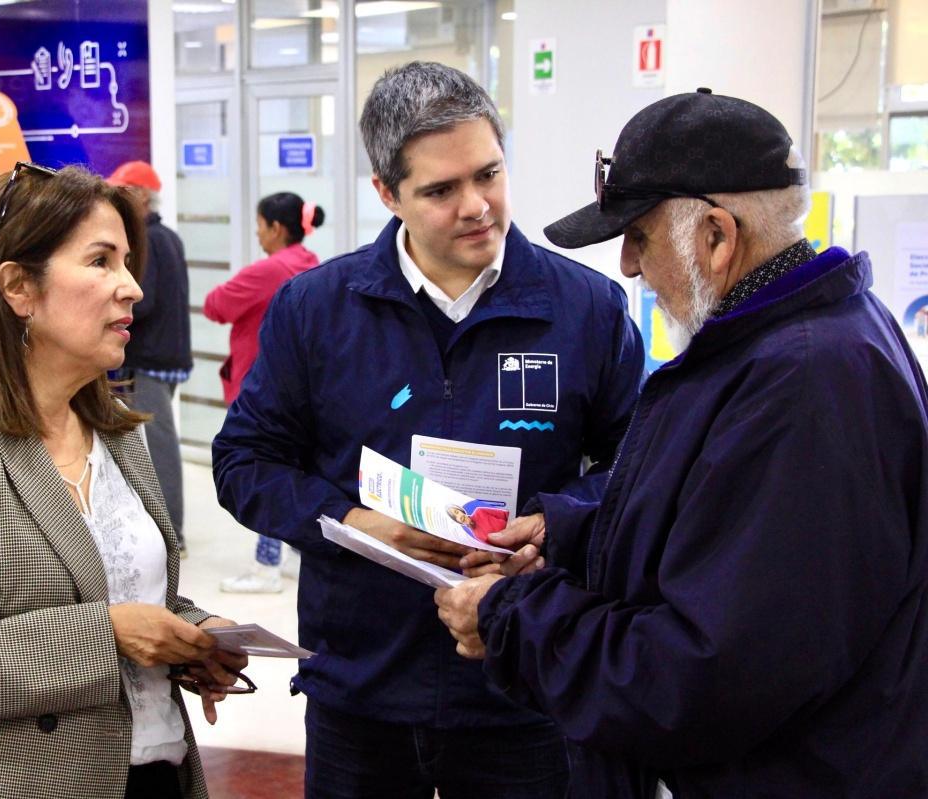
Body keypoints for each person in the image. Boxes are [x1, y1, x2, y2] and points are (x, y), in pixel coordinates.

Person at [435, 89, 928, 798]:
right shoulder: (773, 343)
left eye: (639, 236)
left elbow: (707, 673)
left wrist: (509, 619)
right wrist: (573, 533)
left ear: (717, 237)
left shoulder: (807, 383)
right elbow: (725, 532)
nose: (630, 266)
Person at [213, 62, 643, 798]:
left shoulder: (588, 311)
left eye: (489, 174)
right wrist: (350, 520)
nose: (476, 206)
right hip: (360, 690)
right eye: (441, 190)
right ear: (387, 192)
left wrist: (552, 524)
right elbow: (245, 461)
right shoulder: (317, 310)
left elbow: (641, 471)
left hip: (524, 686)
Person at [0, 163, 248, 799]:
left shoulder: (114, 431)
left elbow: (111, 585)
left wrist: (192, 632)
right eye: (100, 261)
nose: (132, 288)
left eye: (126, 261)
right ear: (18, 287)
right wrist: (113, 633)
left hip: (149, 770)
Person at [205, 191, 323, 594]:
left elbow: (215, 305)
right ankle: (290, 555)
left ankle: (266, 567)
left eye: (259, 225)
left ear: (275, 227)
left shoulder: (270, 270)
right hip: (302, 387)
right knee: (297, 468)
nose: (257, 233)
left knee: (264, 467)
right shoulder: (309, 263)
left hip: (263, 385)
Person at [107, 161, 193, 556]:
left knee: (159, 448)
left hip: (150, 358)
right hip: (165, 355)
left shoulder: (148, 239)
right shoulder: (167, 236)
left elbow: (147, 298)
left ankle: (172, 534)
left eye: (122, 191)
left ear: (141, 196)